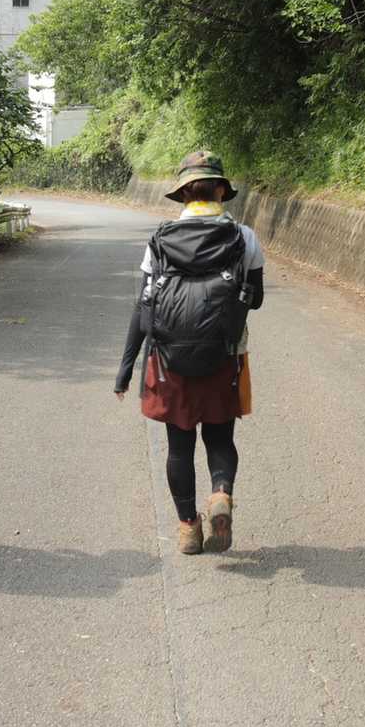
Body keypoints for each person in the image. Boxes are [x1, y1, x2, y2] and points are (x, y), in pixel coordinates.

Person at [115, 151, 265, 555]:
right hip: (224, 355)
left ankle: (187, 529)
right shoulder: (244, 237)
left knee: (178, 448)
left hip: (169, 361)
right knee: (220, 437)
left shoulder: (160, 240)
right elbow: (256, 299)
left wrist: (125, 369)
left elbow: (143, 307)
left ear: (182, 194)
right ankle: (221, 493)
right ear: (221, 191)